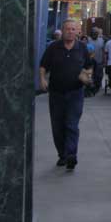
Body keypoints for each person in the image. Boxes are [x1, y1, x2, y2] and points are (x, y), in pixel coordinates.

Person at [39, 19, 94, 170]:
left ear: (78, 32)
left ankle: (71, 155)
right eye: (67, 29)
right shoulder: (53, 47)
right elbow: (43, 66)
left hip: (75, 93)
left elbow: (89, 67)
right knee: (57, 126)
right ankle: (62, 155)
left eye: (73, 29)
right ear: (62, 31)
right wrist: (42, 79)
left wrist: (86, 76)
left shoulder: (82, 48)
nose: (70, 31)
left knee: (71, 124)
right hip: (56, 93)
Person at [88, 27, 106, 95]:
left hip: (99, 61)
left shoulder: (101, 40)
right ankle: (92, 88)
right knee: (91, 75)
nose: (95, 34)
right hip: (90, 62)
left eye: (96, 33)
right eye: (94, 32)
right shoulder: (88, 40)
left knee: (99, 76)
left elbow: (104, 51)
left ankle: (98, 86)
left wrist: (105, 60)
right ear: (91, 33)